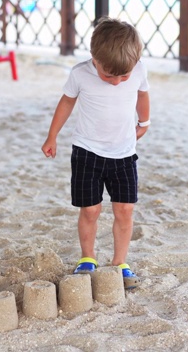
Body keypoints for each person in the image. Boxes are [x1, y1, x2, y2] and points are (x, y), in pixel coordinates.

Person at [41, 17, 150, 290]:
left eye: (123, 77)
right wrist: (52, 135)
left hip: (124, 154)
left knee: (125, 209)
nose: (116, 82)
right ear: (94, 58)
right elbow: (66, 102)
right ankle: (88, 258)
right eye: (108, 75)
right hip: (87, 153)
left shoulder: (138, 70)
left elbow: (142, 95)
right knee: (90, 209)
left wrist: (144, 122)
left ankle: (119, 263)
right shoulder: (80, 74)